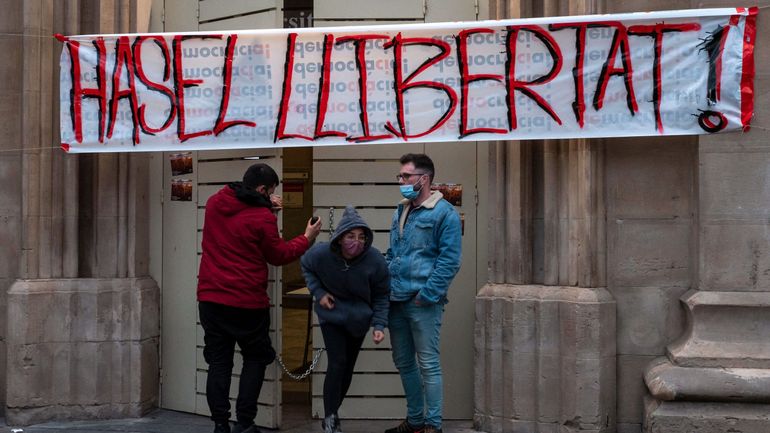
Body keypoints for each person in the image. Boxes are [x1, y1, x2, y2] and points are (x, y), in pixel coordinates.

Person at [197, 163, 322, 433]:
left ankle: (220, 424)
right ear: (263, 190)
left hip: (211, 299)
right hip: (246, 303)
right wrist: (307, 238)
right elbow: (278, 255)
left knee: (219, 362)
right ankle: (245, 422)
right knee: (255, 358)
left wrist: (264, 203)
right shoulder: (261, 217)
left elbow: (238, 202)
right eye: (271, 192)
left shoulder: (214, 203)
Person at [384, 154, 462, 433]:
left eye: (406, 176)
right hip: (396, 300)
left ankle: (433, 424)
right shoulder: (400, 210)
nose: (402, 182)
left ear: (424, 179)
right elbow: (394, 253)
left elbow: (449, 261)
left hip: (423, 302)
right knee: (404, 363)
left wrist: (427, 295)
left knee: (428, 363)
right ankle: (415, 421)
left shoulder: (444, 213)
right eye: (400, 177)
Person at [301, 206, 390, 433]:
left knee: (347, 368)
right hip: (332, 316)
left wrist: (379, 324)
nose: (356, 242)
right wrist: (319, 294)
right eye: (351, 236)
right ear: (340, 238)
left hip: (359, 319)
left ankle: (332, 412)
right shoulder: (321, 253)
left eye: (361, 237)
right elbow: (306, 266)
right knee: (337, 362)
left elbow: (381, 294)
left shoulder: (375, 260)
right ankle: (331, 418)